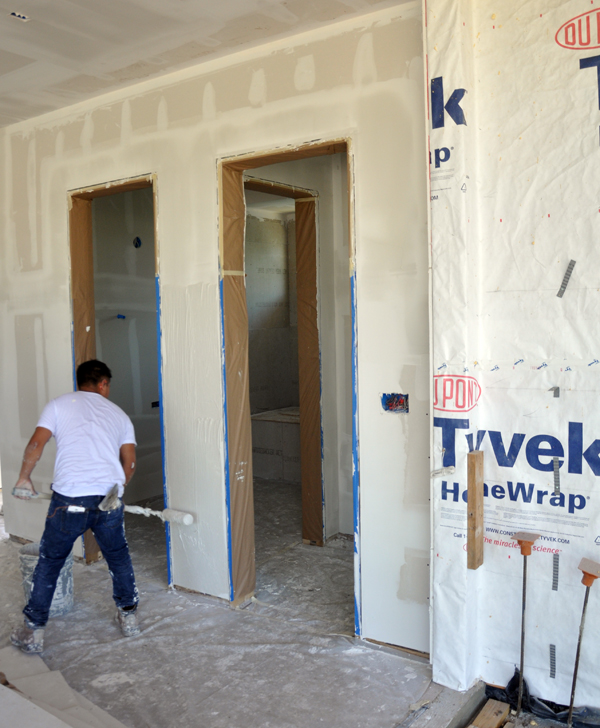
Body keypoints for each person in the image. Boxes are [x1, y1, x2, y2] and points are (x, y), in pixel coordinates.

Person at [11, 359, 140, 654]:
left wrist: (24, 478)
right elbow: (129, 463)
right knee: (118, 558)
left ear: (80, 381)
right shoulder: (119, 415)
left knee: (50, 561)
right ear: (103, 384)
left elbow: (36, 444)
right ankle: (129, 617)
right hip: (107, 499)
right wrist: (119, 489)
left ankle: (34, 633)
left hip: (68, 500)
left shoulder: (58, 405)